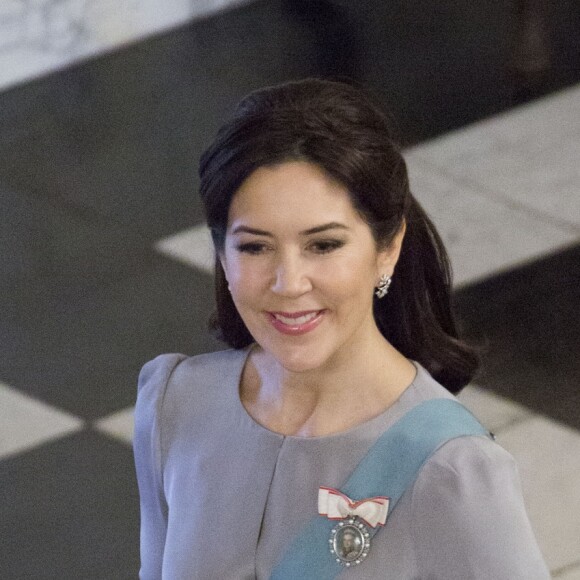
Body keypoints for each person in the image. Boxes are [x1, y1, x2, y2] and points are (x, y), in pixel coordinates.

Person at [134, 78, 550, 579]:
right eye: (255, 247)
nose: (288, 283)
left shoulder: (452, 468)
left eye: (324, 245)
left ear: (388, 247)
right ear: (222, 254)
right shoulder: (176, 404)